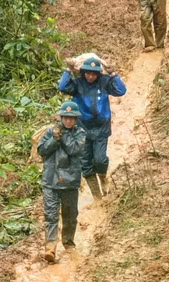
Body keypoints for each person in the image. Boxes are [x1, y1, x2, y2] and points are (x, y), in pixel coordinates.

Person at [58, 58, 127, 201]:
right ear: (83, 73)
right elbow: (62, 87)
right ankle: (97, 197)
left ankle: (103, 177)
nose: (91, 76)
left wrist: (112, 73)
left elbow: (121, 91)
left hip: (101, 127)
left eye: (94, 74)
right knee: (85, 163)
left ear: (98, 74)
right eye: (88, 73)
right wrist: (68, 70)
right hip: (82, 128)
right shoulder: (77, 84)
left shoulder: (104, 82)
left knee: (100, 160)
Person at [37, 101, 87, 263]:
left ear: (76, 119)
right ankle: (50, 246)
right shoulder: (50, 132)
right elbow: (42, 150)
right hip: (50, 180)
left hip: (70, 182)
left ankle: (68, 242)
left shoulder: (80, 133)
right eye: (65, 118)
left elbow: (74, 150)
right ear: (61, 117)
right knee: (50, 215)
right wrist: (54, 139)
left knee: (70, 214)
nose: (68, 121)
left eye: (71, 118)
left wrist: (63, 136)